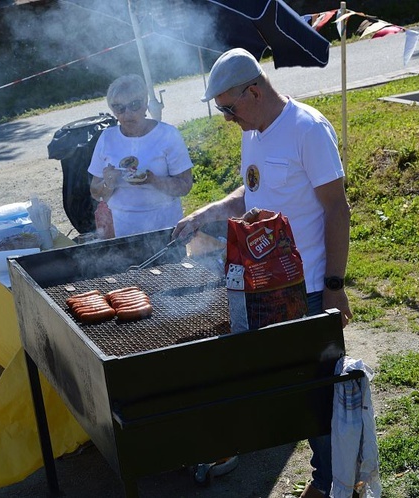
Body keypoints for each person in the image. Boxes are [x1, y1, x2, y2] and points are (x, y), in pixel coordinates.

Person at [172, 48, 353, 498]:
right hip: (264, 287)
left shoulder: (306, 129)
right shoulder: (253, 130)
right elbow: (253, 191)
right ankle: (309, 470)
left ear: (253, 90)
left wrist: (334, 286)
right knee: (280, 383)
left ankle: (333, 483)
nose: (228, 119)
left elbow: (337, 208)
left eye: (229, 108)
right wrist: (206, 213)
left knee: (318, 390)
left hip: (308, 288)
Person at [88, 74, 193, 238]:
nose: (127, 113)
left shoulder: (168, 134)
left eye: (134, 105)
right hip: (123, 228)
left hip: (165, 225)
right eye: (119, 108)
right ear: (112, 110)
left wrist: (153, 180)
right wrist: (108, 183)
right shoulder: (107, 138)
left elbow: (185, 186)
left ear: (145, 104)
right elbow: (95, 192)